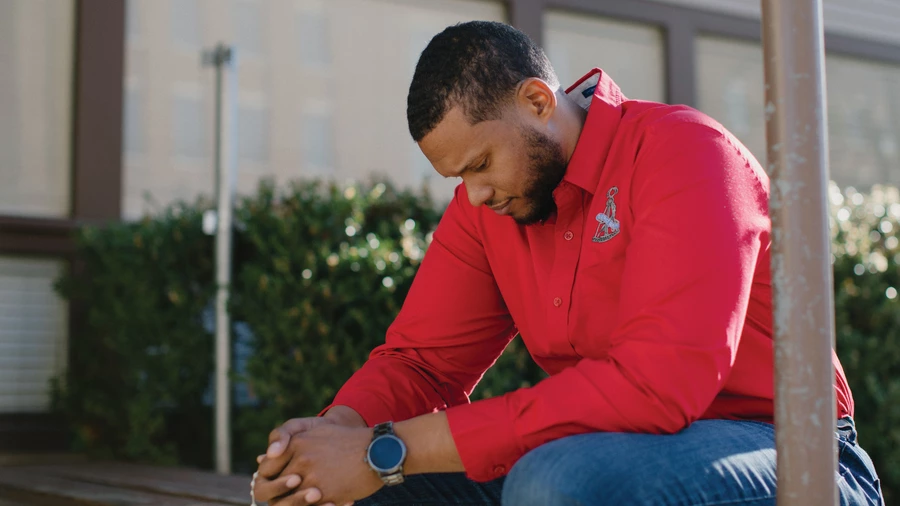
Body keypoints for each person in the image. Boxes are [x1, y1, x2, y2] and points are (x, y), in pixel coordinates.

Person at [251, 21, 883, 506]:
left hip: (793, 453)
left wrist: (383, 449)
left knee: (555, 482)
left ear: (536, 102)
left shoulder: (686, 153)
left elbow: (654, 387)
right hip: (612, 451)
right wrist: (323, 444)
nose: (471, 195)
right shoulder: (489, 207)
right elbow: (421, 361)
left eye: (478, 165)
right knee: (375, 492)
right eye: (456, 176)